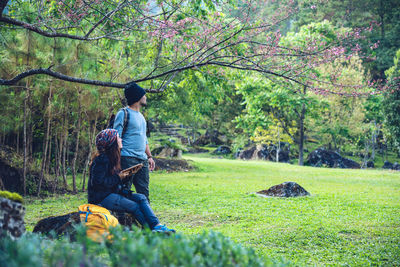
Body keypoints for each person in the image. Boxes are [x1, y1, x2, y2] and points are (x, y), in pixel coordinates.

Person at [88, 129, 174, 233]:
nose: (121, 139)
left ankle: (157, 225)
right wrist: (119, 177)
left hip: (112, 193)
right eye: (118, 138)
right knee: (134, 206)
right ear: (112, 142)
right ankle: (149, 230)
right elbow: (98, 184)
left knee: (141, 198)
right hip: (101, 198)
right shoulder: (102, 160)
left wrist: (128, 175)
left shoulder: (114, 158)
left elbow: (114, 182)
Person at [113, 82, 155, 202]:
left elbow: (144, 138)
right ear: (138, 97)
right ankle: (122, 218)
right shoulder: (123, 113)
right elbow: (116, 136)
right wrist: (116, 159)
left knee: (144, 191)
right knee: (124, 190)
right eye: (144, 94)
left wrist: (150, 157)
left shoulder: (141, 116)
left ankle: (146, 219)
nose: (145, 97)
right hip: (127, 158)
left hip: (142, 159)